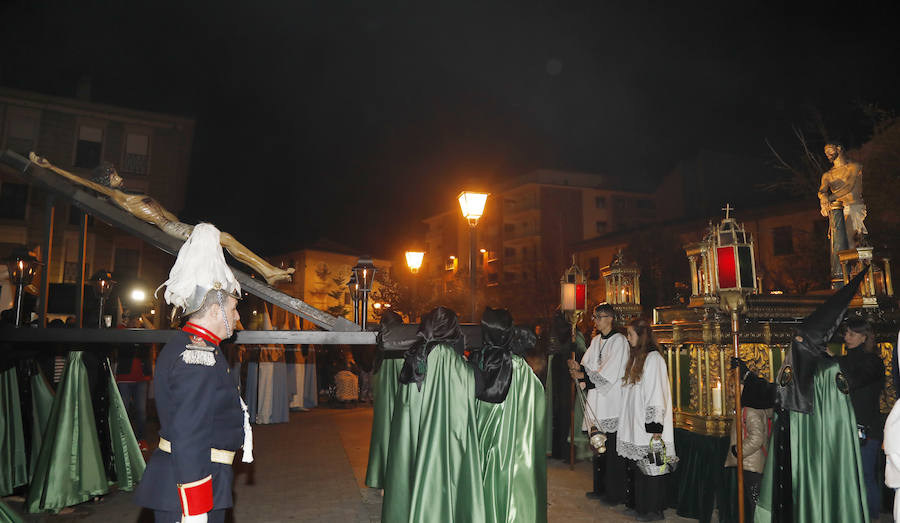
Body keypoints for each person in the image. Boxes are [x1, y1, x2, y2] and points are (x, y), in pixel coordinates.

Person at [134, 223, 254, 523]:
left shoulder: (199, 348)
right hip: (190, 487)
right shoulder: (196, 357)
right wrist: (196, 509)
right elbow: (190, 434)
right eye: (232, 309)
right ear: (214, 311)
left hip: (202, 478)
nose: (237, 317)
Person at [29, 153, 293, 285]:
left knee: (226, 239)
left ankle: (268, 272)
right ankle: (268, 272)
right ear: (107, 181)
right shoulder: (120, 198)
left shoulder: (133, 195)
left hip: (178, 226)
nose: (118, 176)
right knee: (225, 238)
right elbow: (84, 182)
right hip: (171, 229)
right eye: (113, 175)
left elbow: (168, 214)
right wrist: (50, 167)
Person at [737, 269, 869, 523]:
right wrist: (747, 377)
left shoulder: (829, 371)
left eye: (800, 339)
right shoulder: (798, 367)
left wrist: (749, 379)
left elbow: (835, 419)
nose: (794, 343)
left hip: (819, 453)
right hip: (794, 450)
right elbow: (779, 395)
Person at [381, 307, 484, 522]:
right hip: (450, 436)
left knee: (413, 465)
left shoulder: (417, 354)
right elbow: (479, 386)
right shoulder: (455, 360)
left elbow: (406, 398)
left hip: (417, 429)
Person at [471, 307, 547, 523]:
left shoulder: (484, 361)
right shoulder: (519, 366)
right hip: (512, 446)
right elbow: (536, 404)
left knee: (490, 478)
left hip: (491, 443)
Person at [568, 303, 630, 505]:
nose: (595, 320)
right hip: (596, 399)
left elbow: (610, 373)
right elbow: (588, 366)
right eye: (595, 316)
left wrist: (584, 374)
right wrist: (577, 367)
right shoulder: (595, 341)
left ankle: (614, 493)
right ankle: (600, 488)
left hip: (611, 401)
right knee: (598, 445)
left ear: (610, 318)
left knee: (611, 449)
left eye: (599, 317)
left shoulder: (619, 341)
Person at [616, 318, 676, 522]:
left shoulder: (654, 360)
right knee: (641, 466)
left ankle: (654, 509)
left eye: (631, 334)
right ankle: (641, 506)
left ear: (641, 336)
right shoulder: (636, 358)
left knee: (654, 467)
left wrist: (655, 426)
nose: (627, 338)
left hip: (650, 427)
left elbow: (656, 393)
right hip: (637, 424)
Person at [835, 317, 885, 519]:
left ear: (864, 337)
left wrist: (836, 362)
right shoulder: (845, 360)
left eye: (852, 333)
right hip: (847, 427)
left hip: (867, 428)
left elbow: (852, 381)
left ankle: (872, 517)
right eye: (846, 333)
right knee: (848, 477)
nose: (846, 337)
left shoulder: (873, 362)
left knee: (865, 476)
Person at [365, 310, 413, 489]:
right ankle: (396, 478)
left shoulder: (380, 351)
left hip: (383, 404)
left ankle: (378, 476)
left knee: (381, 436)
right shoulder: (401, 349)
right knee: (398, 437)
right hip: (400, 403)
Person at [724, 397, 771, 521]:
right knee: (750, 503)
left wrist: (737, 450)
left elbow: (757, 438)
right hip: (751, 463)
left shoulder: (750, 411)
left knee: (754, 504)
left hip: (751, 463)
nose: (734, 391)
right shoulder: (757, 408)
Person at [114, 311, 153, 450]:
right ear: (128, 321)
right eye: (134, 320)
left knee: (141, 411)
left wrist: (143, 315)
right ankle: (122, 438)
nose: (136, 322)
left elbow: (153, 331)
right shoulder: (123, 332)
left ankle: (141, 440)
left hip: (141, 379)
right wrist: (125, 318)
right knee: (123, 410)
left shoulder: (144, 334)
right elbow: (118, 325)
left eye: (138, 320)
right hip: (124, 378)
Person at [818, 142, 867, 248]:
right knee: (837, 244)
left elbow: (849, 186)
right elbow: (822, 190)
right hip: (837, 211)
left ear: (839, 149)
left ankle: (859, 261)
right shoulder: (827, 175)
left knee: (850, 240)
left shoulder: (854, 167)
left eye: (829, 150)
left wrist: (829, 198)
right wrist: (823, 198)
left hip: (853, 206)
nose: (827, 153)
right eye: (825, 152)